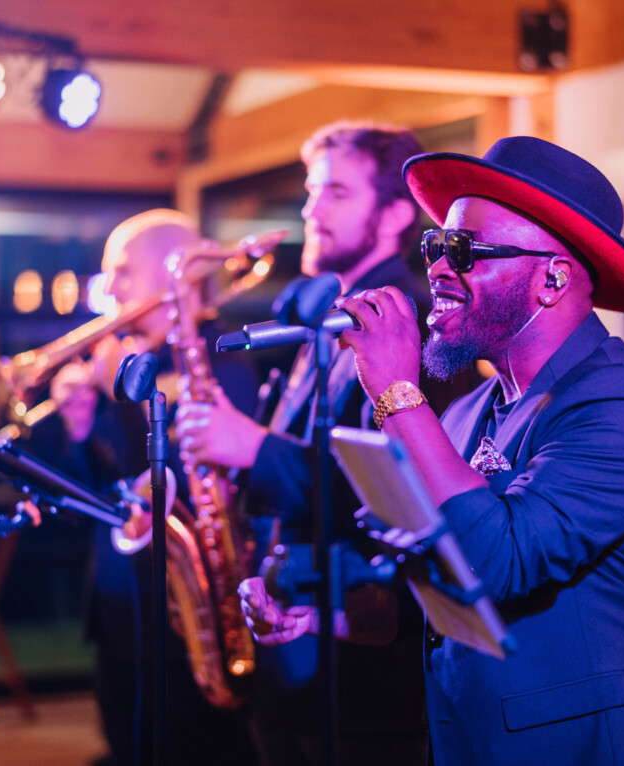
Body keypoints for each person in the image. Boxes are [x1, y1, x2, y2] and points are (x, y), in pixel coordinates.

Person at [245, 135, 624, 764]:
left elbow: (497, 561)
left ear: (551, 278)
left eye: (464, 251)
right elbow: (448, 592)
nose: (439, 269)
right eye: (436, 246)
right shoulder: (470, 412)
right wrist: (326, 617)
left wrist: (394, 391)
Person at [177, 121, 439, 766]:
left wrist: (253, 448)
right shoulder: (330, 314)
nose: (311, 210)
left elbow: (393, 487)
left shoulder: (404, 322)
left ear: (394, 214)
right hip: (296, 651)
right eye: (311, 191)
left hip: (361, 676)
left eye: (337, 193)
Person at [31, 208, 259, 766]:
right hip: (117, 603)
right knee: (124, 735)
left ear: (171, 273)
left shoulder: (220, 355)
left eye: (123, 271)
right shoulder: (124, 360)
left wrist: (119, 400)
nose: (108, 287)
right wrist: (81, 429)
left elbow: (185, 475)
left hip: (187, 613)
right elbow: (94, 501)